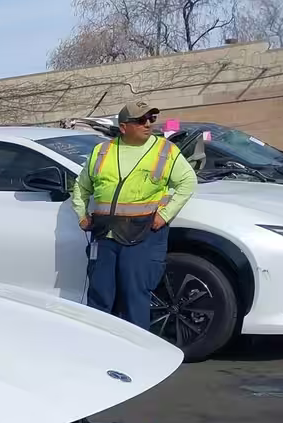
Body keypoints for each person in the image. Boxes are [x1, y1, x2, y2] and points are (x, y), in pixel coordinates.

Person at [71, 100, 198, 331]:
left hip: (143, 234)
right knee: (100, 295)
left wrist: (165, 215)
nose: (147, 124)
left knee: (134, 297)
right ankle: (96, 348)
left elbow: (188, 182)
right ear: (123, 127)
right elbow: (81, 187)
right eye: (140, 120)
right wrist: (81, 215)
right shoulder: (103, 151)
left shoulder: (164, 151)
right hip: (105, 234)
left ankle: (138, 354)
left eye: (151, 119)